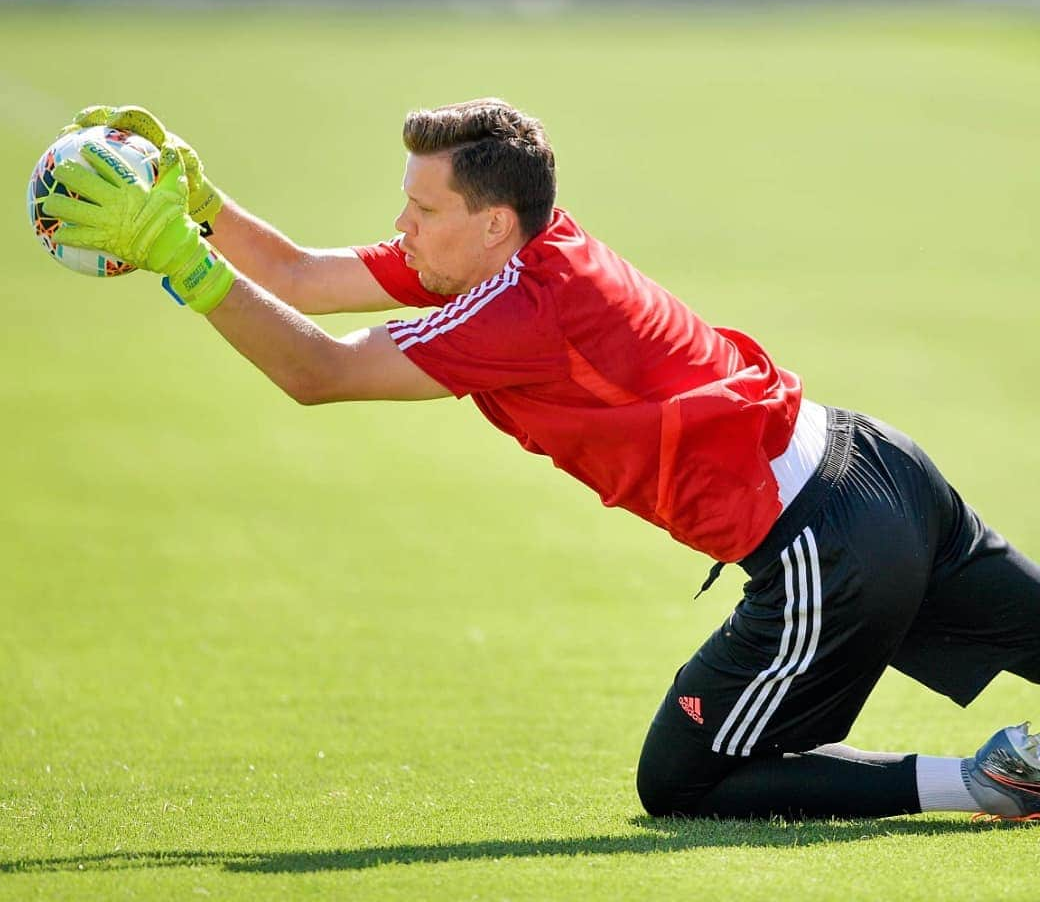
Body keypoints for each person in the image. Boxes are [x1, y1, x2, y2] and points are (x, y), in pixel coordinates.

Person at [43, 100, 1040, 821]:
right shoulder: (516, 248)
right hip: (882, 466)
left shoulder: (513, 308)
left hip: (825, 542)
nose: (400, 227)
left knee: (685, 777)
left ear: (489, 220)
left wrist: (179, 257)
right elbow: (302, 275)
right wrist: (200, 205)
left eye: (419, 210)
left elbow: (316, 369)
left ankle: (986, 780)